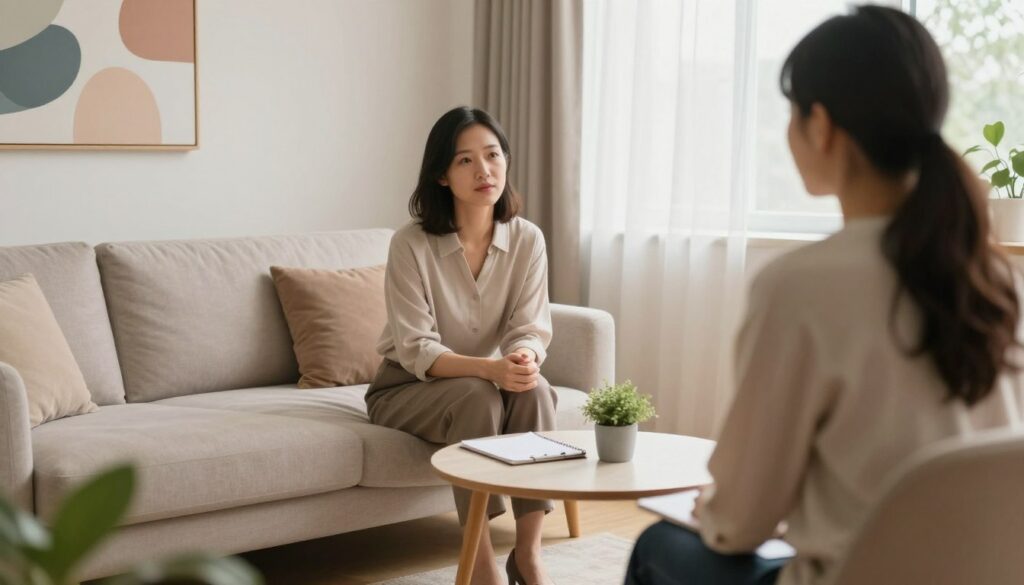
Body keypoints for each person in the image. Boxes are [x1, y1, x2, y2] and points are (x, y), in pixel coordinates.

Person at [626, 5, 1024, 585]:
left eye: (790, 113)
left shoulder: (799, 287)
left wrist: (717, 508)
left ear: (820, 124)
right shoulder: (993, 277)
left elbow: (740, 522)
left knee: (658, 547)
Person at [366, 106, 556, 585]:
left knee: (535, 390)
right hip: (403, 388)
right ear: (443, 176)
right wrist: (490, 371)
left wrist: (524, 356)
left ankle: (528, 556)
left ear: (507, 162)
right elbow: (415, 348)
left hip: (477, 379)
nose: (483, 170)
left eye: (492, 155)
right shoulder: (410, 244)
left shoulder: (528, 240)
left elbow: (529, 325)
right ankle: (481, 563)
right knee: (478, 394)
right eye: (465, 161)